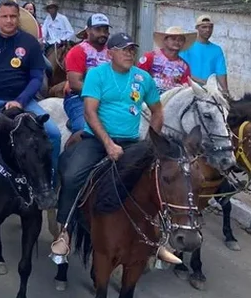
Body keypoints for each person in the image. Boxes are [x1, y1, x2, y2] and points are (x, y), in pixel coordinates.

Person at [50, 32, 176, 264]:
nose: (129, 53)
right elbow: (89, 112)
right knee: (71, 174)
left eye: (132, 49)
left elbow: (157, 111)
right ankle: (65, 231)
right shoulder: (97, 75)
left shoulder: (143, 78)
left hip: (131, 141)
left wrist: (151, 142)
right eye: (124, 49)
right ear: (111, 52)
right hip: (97, 141)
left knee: (161, 179)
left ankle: (159, 238)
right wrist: (108, 143)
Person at [0, 1, 62, 177]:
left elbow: (37, 77)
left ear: (18, 18)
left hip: (22, 99)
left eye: (13, 16)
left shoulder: (30, 42)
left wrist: (20, 101)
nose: (9, 20)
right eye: (5, 16)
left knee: (54, 134)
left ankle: (49, 181)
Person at [63, 14, 112, 133]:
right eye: (98, 29)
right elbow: (75, 83)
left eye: (105, 30)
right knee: (84, 128)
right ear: (88, 30)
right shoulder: (77, 51)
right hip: (79, 98)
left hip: (108, 98)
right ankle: (73, 149)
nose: (103, 33)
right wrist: (101, 95)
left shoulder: (112, 52)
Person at [137, 26, 196, 93]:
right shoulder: (150, 57)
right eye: (173, 39)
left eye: (180, 40)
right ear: (165, 41)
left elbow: (186, 88)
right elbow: (138, 77)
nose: (177, 42)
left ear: (183, 43)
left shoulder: (184, 66)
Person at [181, 15, 229, 94]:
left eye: (210, 27)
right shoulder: (187, 46)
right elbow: (182, 69)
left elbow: (221, 72)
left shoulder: (217, 49)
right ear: (197, 28)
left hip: (209, 92)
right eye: (204, 27)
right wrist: (202, 82)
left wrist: (225, 91)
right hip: (188, 89)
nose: (208, 30)